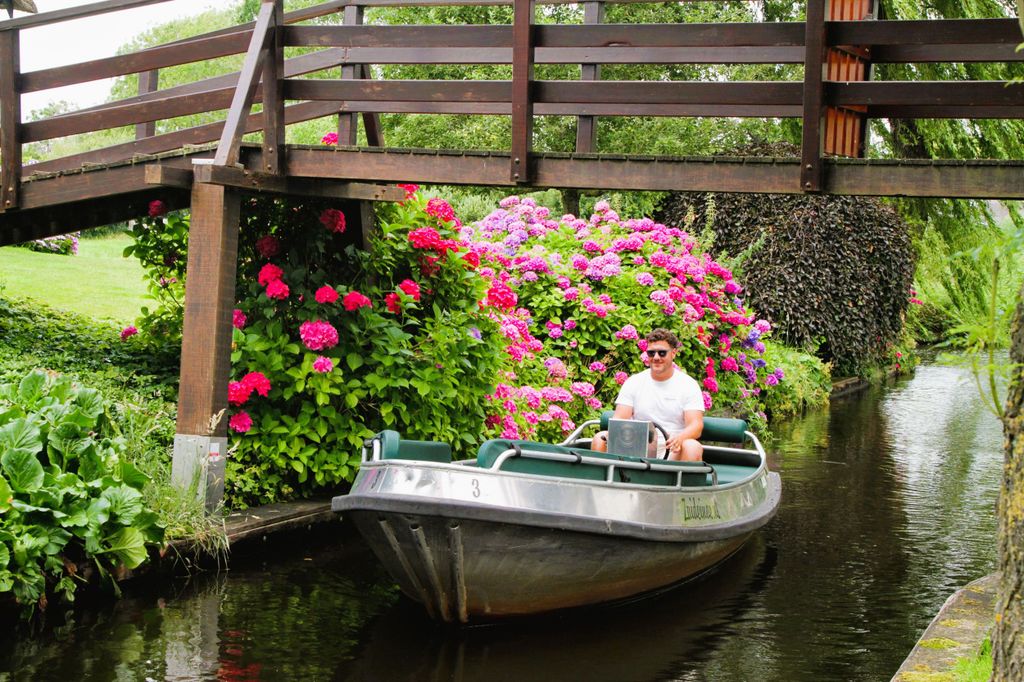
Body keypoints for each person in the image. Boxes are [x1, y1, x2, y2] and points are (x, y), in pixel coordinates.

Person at [593, 328, 704, 461]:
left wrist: (680, 438)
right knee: (600, 438)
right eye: (651, 353)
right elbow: (620, 419)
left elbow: (696, 425)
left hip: (672, 447)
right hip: (636, 445)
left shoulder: (688, 385)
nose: (656, 357)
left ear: (673, 353)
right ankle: (604, 480)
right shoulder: (634, 382)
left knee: (692, 446)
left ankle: (683, 481)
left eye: (662, 353)